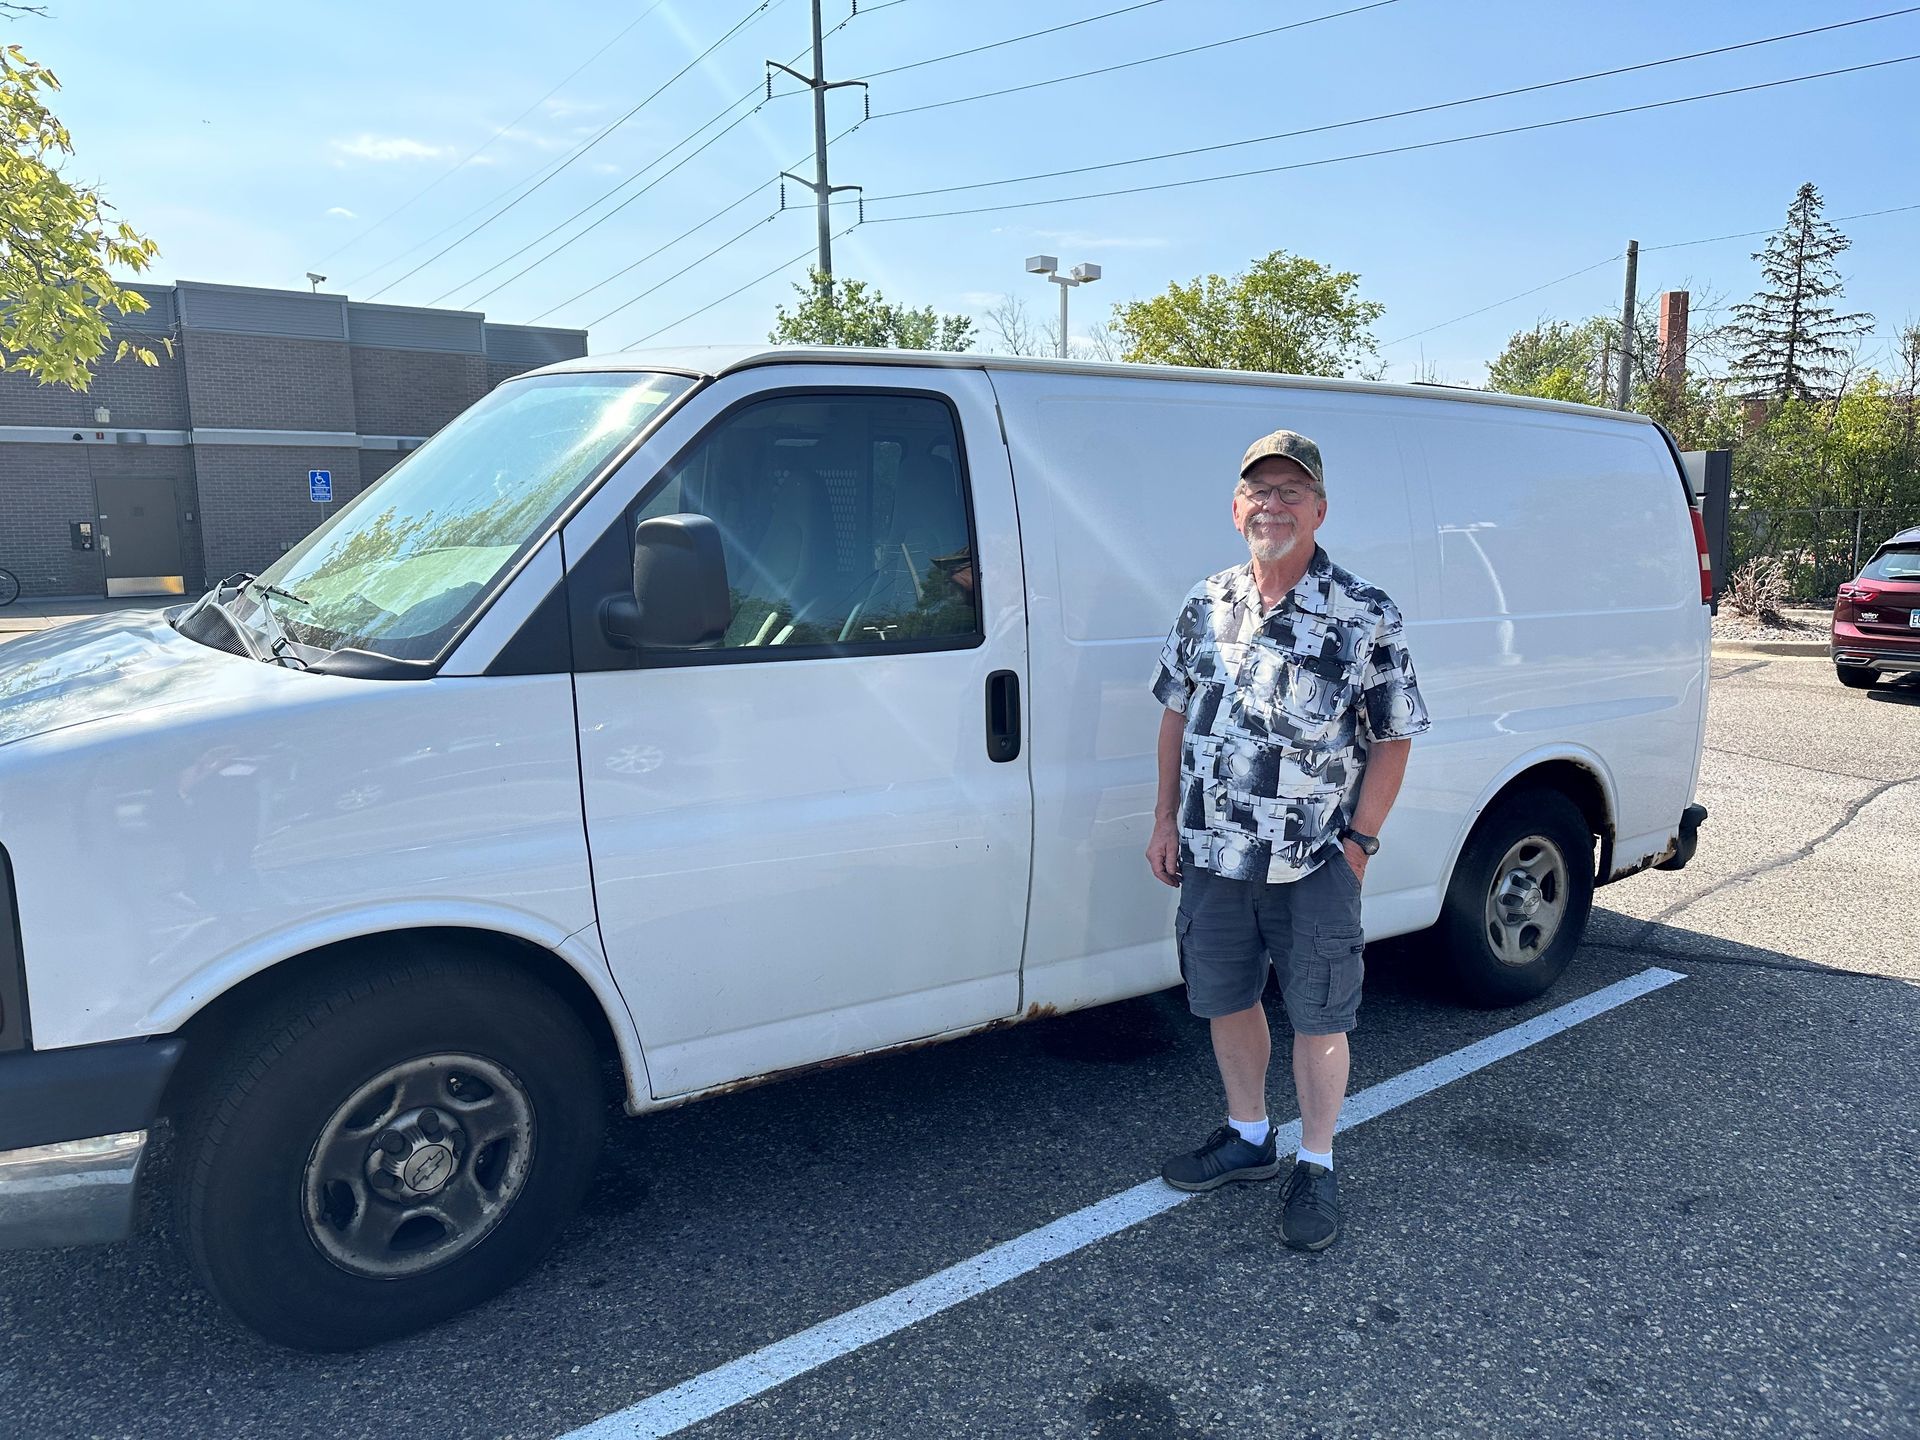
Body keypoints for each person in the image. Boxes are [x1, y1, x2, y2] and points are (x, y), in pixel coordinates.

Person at [1146, 428, 1430, 1251]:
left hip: (1314, 860)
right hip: (1213, 853)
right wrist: (1166, 820)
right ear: (1238, 508)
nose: (1273, 503)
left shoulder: (1363, 611)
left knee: (1319, 1014)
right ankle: (1247, 1136)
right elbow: (1175, 715)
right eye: (1259, 490)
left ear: (1319, 508)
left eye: (1290, 491)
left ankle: (1316, 1161)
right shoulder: (1207, 601)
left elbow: (1395, 735)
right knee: (1226, 999)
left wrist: (1361, 843)